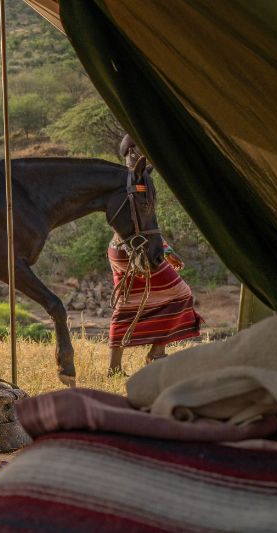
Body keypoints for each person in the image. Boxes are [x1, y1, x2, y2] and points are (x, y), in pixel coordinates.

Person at [108, 135, 203, 376]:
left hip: (121, 249)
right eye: (142, 149)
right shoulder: (134, 180)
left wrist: (166, 249)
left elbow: (146, 224)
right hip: (132, 249)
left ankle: (116, 368)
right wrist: (161, 251)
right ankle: (156, 353)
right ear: (132, 151)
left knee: (126, 302)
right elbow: (138, 225)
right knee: (180, 293)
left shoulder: (133, 177)